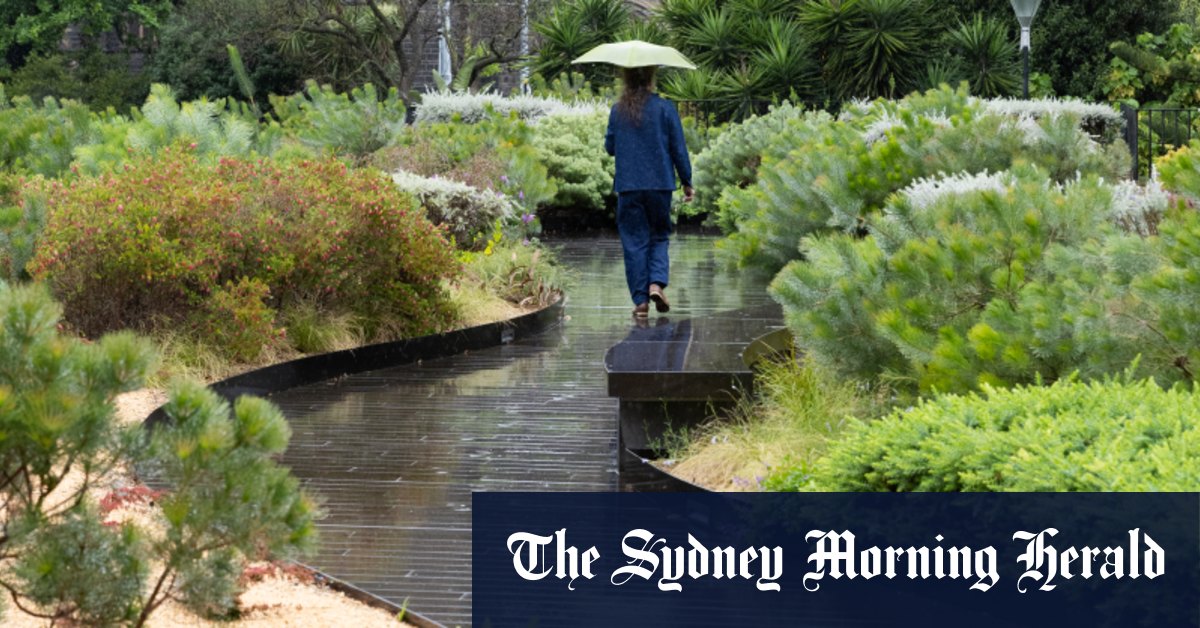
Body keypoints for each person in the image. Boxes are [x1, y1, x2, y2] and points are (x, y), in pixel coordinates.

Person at [604, 65, 694, 318]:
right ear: (651, 79)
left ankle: (640, 301)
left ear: (627, 79)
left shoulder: (618, 110)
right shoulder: (665, 108)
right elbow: (678, 148)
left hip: (629, 186)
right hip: (660, 184)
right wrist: (687, 181)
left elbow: (610, 147)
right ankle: (656, 284)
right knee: (659, 235)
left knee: (634, 241)